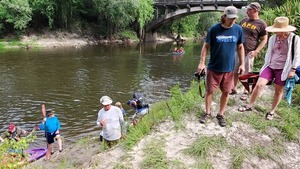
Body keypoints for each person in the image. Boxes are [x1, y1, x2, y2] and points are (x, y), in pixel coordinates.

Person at [238, 17, 299, 120]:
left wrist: (293, 69)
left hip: (284, 68)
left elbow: (297, 55)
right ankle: (249, 105)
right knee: (259, 85)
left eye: (278, 31)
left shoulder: (294, 39)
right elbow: (270, 52)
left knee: (278, 91)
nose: (276, 32)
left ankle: (272, 111)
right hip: (270, 65)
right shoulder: (273, 38)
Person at [197, 6, 245, 127]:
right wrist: (202, 63)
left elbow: (240, 47)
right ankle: (207, 113)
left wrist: (243, 64)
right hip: (214, 68)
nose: (232, 21)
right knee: (209, 91)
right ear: (224, 16)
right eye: (230, 18)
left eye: (234, 18)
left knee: (226, 92)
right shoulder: (214, 29)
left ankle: (221, 114)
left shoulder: (238, 29)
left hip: (229, 68)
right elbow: (205, 46)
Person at [231, 2, 268, 100]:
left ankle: (246, 90)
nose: (246, 12)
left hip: (249, 52)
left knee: (247, 73)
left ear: (255, 10)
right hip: (237, 50)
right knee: (235, 71)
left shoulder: (262, 24)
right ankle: (233, 88)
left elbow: (264, 39)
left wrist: (257, 51)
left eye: (249, 10)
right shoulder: (243, 20)